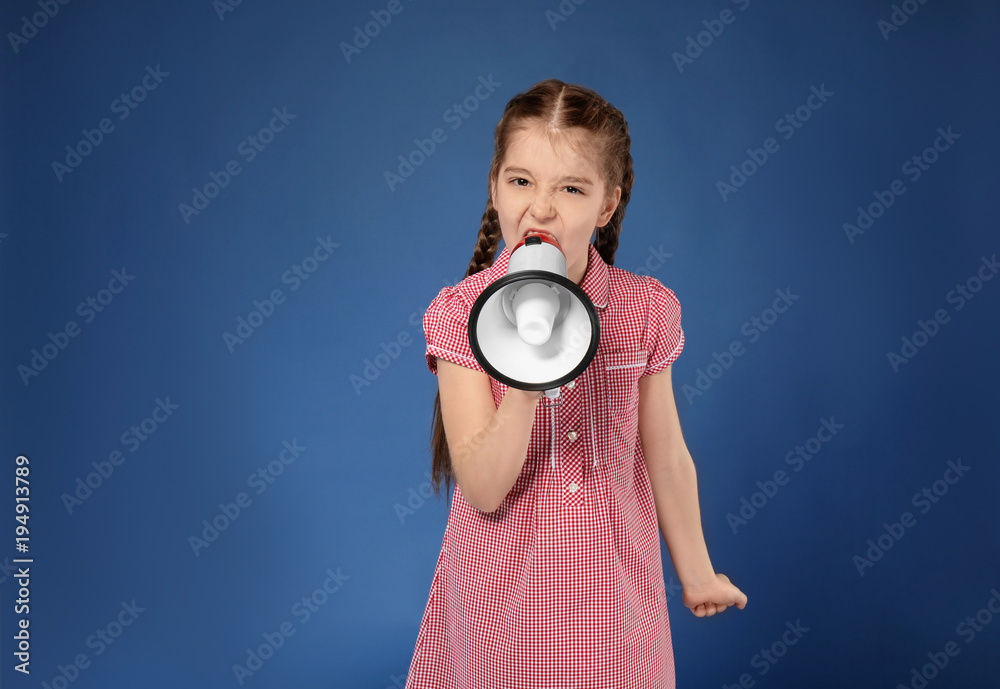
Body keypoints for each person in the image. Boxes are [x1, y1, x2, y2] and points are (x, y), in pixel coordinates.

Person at [405, 78, 747, 688]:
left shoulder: (644, 309)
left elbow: (666, 457)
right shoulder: (460, 314)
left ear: (608, 205)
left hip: (614, 597)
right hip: (499, 602)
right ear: (494, 186)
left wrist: (696, 571)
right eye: (520, 181)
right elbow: (483, 488)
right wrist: (528, 366)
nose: (540, 208)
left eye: (571, 188)